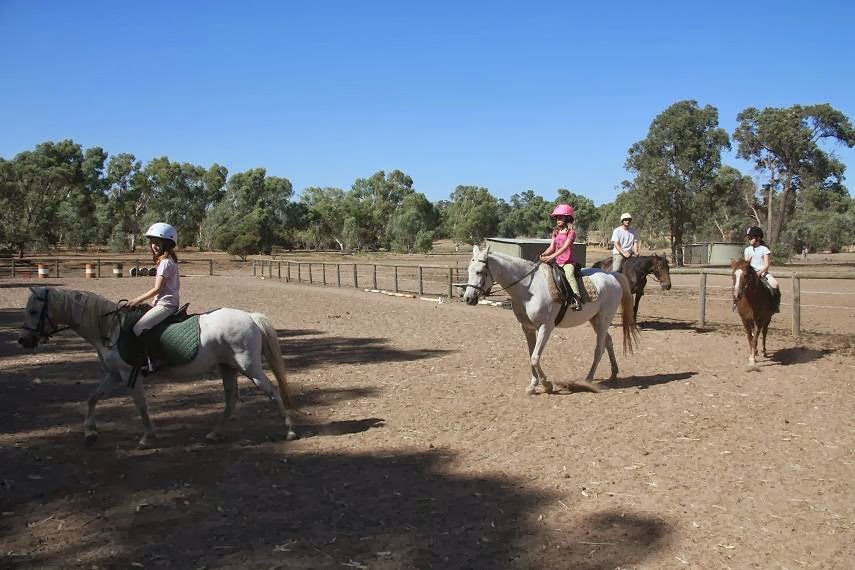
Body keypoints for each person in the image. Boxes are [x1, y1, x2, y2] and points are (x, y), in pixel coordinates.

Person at [128, 222, 181, 372]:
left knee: (139, 327)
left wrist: (135, 300)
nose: (154, 246)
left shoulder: (165, 263)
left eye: (158, 243)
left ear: (167, 244)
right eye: (152, 243)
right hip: (166, 303)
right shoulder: (169, 260)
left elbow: (157, 289)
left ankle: (157, 360)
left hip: (166, 305)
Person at [540, 204, 583, 310]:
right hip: (557, 262)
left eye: (560, 217)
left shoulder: (571, 233)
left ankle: (577, 298)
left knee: (569, 275)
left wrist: (551, 257)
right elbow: (551, 247)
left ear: (568, 218)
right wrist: (544, 254)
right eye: (557, 217)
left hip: (567, 262)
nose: (558, 219)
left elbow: (564, 248)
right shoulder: (556, 232)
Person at [744, 226, 780, 313]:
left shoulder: (764, 249)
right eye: (748, 237)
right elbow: (746, 265)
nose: (749, 239)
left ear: (758, 238)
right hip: (750, 274)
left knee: (775, 284)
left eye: (751, 238)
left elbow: (767, 265)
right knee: (739, 285)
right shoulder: (747, 250)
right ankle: (736, 303)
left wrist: (759, 273)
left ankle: (775, 305)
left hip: (763, 273)